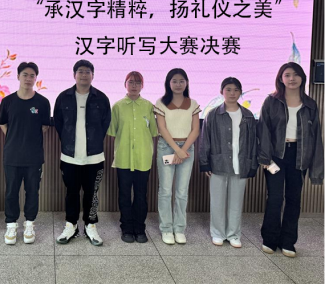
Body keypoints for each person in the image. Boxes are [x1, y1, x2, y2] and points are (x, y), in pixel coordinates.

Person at [258, 62, 323, 257]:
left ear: (302, 77)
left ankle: (288, 241)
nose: (292, 78)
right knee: (275, 198)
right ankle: (270, 239)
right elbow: (263, 130)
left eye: (296, 74)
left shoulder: (310, 104)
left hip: (300, 155)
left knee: (294, 199)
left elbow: (316, 137)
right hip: (276, 155)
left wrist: (317, 169)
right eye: (287, 75)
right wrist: (265, 157)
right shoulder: (271, 101)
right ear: (281, 78)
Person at [54, 60, 111, 246]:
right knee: (71, 193)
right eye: (80, 71)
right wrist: (69, 142)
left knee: (92, 194)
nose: (84, 75)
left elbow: (105, 124)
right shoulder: (63, 97)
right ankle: (71, 225)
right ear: (74, 75)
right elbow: (59, 123)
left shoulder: (101, 98)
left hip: (94, 157)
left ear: (93, 75)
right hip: (69, 157)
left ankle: (90, 225)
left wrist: (93, 142)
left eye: (88, 72)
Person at [199, 77, 258, 248]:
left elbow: (254, 142)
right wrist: (205, 163)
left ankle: (234, 234)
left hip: (241, 164)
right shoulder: (213, 114)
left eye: (236, 90)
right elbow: (205, 139)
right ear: (221, 92)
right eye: (228, 90)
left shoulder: (248, 115)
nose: (232, 93)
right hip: (218, 163)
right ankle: (217, 233)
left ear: (240, 92)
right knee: (217, 201)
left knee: (236, 202)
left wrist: (253, 164)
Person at [0, 62, 50, 245]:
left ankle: (29, 224)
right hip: (12, 155)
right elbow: (3, 124)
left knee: (32, 192)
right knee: (11, 192)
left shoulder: (42, 102)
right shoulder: (7, 101)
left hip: (34, 157)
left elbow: (44, 127)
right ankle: (11, 225)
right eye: (25, 75)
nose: (28, 78)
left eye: (32, 75)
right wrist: (16, 138)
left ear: (36, 78)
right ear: (18, 76)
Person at [108, 71, 157, 244]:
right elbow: (113, 132)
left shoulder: (149, 106)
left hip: (143, 157)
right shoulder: (117, 106)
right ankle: (127, 228)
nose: (134, 85)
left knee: (141, 195)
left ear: (142, 85)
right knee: (124, 195)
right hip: (123, 157)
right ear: (125, 84)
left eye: (137, 82)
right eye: (131, 82)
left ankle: (140, 228)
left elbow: (153, 131)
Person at [154, 68, 200, 245]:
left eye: (182, 81)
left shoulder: (193, 104)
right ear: (168, 83)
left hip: (187, 149)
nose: (178, 84)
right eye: (174, 81)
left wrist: (183, 150)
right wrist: (176, 149)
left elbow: (195, 130)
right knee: (165, 191)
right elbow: (162, 128)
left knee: (181, 191)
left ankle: (179, 228)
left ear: (187, 83)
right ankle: (166, 228)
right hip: (166, 147)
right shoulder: (161, 103)